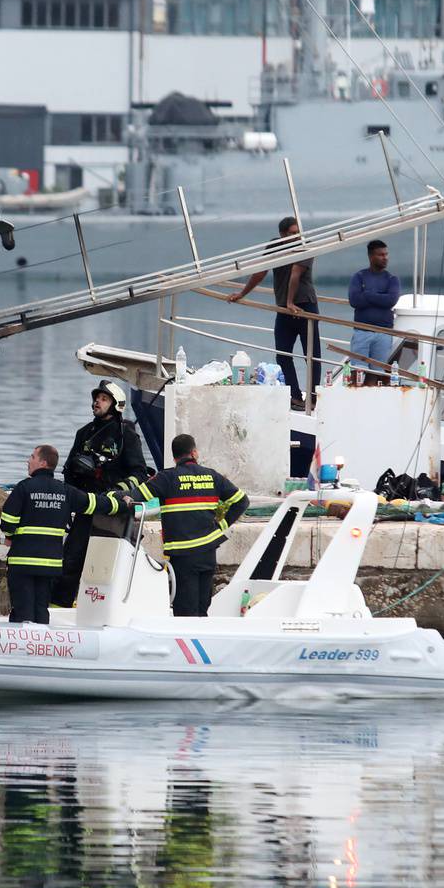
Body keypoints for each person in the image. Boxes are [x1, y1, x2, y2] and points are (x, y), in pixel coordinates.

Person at [0, 444, 129, 624]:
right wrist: (122, 505)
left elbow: (7, 522)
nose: (28, 461)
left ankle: (22, 647)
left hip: (23, 563)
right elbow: (94, 503)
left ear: (43, 463)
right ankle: (42, 645)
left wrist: (10, 535)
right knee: (41, 609)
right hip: (50, 564)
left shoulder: (24, 488)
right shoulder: (65, 491)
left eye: (32, 457)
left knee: (22, 611)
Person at [50, 379, 152, 607]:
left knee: (110, 563)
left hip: (113, 512)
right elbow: (67, 471)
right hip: (86, 507)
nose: (97, 401)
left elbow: (140, 473)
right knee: (70, 561)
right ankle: (58, 609)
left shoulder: (126, 435)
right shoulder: (84, 433)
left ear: (116, 404)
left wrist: (116, 492)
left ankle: (108, 608)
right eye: (96, 398)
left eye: (104, 398)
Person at [142, 433, 247, 617]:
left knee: (185, 612)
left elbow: (137, 496)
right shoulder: (211, 476)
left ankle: (187, 644)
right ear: (194, 452)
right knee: (202, 607)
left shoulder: (167, 478)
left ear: (174, 457)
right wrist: (221, 526)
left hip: (183, 556)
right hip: (207, 553)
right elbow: (242, 501)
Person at [227, 216, 319, 409]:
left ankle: (313, 398)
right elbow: (260, 272)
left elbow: (295, 273)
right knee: (282, 354)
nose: (296, 237)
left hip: (305, 307)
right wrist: (242, 294)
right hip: (285, 309)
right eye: (292, 234)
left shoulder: (305, 246)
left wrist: (290, 301)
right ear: (282, 235)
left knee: (311, 355)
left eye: (297, 233)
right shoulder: (274, 246)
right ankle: (295, 396)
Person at [347, 238, 402, 383]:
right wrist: (380, 297)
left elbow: (391, 300)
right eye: (381, 255)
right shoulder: (359, 277)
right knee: (357, 372)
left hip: (383, 333)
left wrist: (367, 294)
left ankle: (367, 402)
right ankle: (354, 400)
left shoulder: (392, 279)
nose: (385, 258)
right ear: (371, 257)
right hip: (362, 331)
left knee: (375, 373)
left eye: (386, 254)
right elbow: (354, 300)